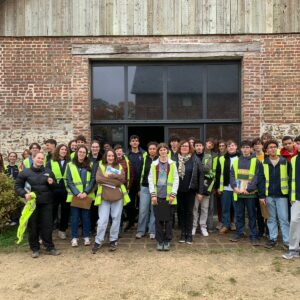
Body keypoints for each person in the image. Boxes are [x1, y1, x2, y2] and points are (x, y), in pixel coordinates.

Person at [15, 152, 61, 258]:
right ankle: (35, 248)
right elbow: (17, 186)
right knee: (33, 226)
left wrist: (52, 183)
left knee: (47, 226)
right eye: (38, 158)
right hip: (32, 205)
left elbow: (55, 187)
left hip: (47, 203)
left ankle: (49, 247)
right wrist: (24, 194)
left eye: (42, 158)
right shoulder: (25, 173)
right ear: (33, 158)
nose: (40, 160)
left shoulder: (48, 172)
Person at [92, 149, 130, 253]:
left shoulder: (119, 166)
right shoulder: (101, 166)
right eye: (109, 156)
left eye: (112, 156)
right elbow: (99, 179)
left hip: (117, 197)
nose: (111, 158)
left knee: (116, 219)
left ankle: (113, 240)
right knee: (102, 220)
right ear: (106, 156)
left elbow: (122, 179)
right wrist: (115, 181)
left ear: (115, 157)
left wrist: (110, 177)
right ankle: (98, 240)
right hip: (104, 197)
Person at [258, 140, 290, 249]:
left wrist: (291, 195)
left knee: (284, 219)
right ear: (266, 151)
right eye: (270, 147)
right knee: (271, 219)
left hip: (282, 195)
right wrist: (261, 196)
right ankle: (273, 239)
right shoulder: (264, 163)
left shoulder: (284, 161)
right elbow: (261, 180)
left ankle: (287, 241)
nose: (272, 149)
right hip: (269, 195)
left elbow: (290, 179)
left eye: (274, 147)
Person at [148, 143, 179, 251]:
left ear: (167, 151)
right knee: (159, 220)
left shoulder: (173, 164)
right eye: (160, 150)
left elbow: (176, 179)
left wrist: (173, 194)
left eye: (164, 149)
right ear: (158, 152)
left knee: (169, 220)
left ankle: (167, 241)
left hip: (169, 197)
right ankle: (160, 241)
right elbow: (151, 180)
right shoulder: (154, 164)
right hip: (157, 197)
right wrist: (153, 195)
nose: (163, 151)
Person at [230, 140, 260, 245]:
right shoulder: (235, 161)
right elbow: (232, 176)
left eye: (247, 147)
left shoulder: (256, 161)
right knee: (238, 214)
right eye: (244, 147)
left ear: (251, 149)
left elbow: (257, 177)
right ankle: (239, 233)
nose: (245, 149)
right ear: (241, 149)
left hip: (250, 194)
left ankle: (253, 235)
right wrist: (235, 187)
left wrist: (249, 189)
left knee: (252, 214)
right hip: (238, 193)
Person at [66, 145, 95, 247]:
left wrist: (86, 192)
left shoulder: (90, 164)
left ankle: (86, 237)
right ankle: (74, 238)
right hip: (75, 196)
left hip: (86, 195)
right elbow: (68, 181)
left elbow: (92, 180)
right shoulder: (70, 165)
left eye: (84, 152)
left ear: (86, 154)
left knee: (86, 217)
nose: (82, 153)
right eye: (80, 151)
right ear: (77, 152)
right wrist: (77, 193)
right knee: (74, 218)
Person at [176, 140, 204, 244]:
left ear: (190, 148)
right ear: (179, 147)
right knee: (181, 212)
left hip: (190, 190)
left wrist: (200, 192)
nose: (184, 147)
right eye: (182, 146)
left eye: (186, 146)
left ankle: (189, 234)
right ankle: (183, 234)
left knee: (189, 212)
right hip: (178, 191)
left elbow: (201, 176)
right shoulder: (175, 159)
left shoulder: (195, 159)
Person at [47, 144, 71, 240]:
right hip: (54, 190)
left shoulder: (70, 162)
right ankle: (49, 231)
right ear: (58, 150)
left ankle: (62, 230)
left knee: (65, 211)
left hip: (66, 190)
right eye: (62, 149)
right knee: (52, 211)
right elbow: (47, 173)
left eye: (65, 149)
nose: (64, 151)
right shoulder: (50, 162)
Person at [215, 140, 239, 234]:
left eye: (232, 145)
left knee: (237, 208)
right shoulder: (221, 158)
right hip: (225, 188)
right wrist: (218, 187)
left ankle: (238, 226)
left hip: (237, 188)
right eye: (229, 146)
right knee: (225, 208)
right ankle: (225, 225)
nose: (231, 147)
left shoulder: (240, 157)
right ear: (227, 148)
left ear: (236, 146)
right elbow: (218, 174)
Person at [282, 136, 300, 259]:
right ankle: (293, 249)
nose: (299, 145)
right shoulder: (294, 160)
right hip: (297, 197)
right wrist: (291, 196)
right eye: (298, 143)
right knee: (294, 221)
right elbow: (292, 180)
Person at [136, 142, 158, 239]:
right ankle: (141, 231)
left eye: (154, 148)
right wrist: (139, 189)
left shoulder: (160, 160)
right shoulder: (144, 159)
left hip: (156, 188)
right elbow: (139, 173)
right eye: (150, 149)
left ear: (156, 150)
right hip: (144, 187)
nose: (152, 150)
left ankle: (152, 231)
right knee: (143, 210)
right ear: (148, 150)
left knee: (154, 210)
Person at [126, 135, 145, 230]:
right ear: (130, 143)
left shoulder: (143, 154)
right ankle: (131, 221)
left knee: (142, 205)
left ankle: (141, 223)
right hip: (130, 184)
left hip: (141, 184)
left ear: (138, 143)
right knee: (129, 204)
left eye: (136, 141)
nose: (134, 142)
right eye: (133, 141)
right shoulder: (126, 155)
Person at [203, 137, 218, 232]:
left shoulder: (214, 155)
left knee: (210, 206)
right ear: (205, 143)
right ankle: (198, 225)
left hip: (210, 182)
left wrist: (212, 184)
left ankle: (210, 226)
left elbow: (214, 170)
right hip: (200, 182)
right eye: (209, 143)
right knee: (199, 207)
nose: (209, 145)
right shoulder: (200, 152)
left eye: (212, 145)